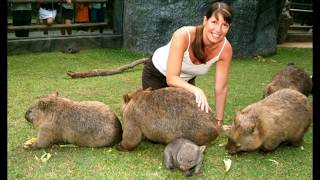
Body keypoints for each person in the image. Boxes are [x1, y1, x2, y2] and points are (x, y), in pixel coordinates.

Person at [142, 2, 233, 129]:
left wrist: (219, 122)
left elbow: (221, 88)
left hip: (184, 82)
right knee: (161, 125)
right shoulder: (184, 35)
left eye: (224, 25)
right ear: (205, 20)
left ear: (229, 27)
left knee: (192, 122)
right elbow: (172, 78)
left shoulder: (225, 49)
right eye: (214, 22)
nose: (218, 30)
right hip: (156, 75)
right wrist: (197, 90)